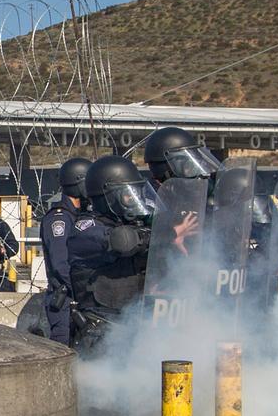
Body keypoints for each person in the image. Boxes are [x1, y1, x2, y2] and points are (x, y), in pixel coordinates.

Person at [66, 155, 158, 350]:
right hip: (102, 329)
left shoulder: (128, 224)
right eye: (128, 195)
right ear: (108, 197)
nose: (135, 199)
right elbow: (123, 241)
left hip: (133, 322)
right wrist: (158, 234)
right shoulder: (87, 228)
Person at [38, 158, 89, 345]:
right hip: (66, 301)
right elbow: (61, 264)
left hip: (78, 300)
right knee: (64, 350)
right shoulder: (59, 219)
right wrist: (84, 290)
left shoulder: (79, 216)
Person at [138, 126, 222, 186]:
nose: (198, 173)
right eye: (188, 166)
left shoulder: (208, 191)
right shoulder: (157, 203)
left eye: (196, 162)